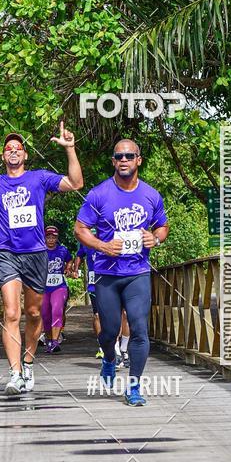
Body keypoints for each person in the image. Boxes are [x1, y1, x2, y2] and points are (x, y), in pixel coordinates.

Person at [0, 121, 83, 394]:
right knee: (11, 313)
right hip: (7, 253)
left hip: (36, 254)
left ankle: (29, 361)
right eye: (8, 148)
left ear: (25, 155)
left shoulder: (38, 178)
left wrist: (70, 149)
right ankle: (14, 373)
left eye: (18, 148)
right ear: (3, 156)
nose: (13, 151)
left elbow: (75, 182)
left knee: (34, 313)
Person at [74, 138, 169, 406]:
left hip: (137, 272)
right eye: (119, 156)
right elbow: (80, 229)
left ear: (139, 160)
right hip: (107, 274)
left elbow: (162, 226)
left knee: (139, 328)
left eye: (129, 155)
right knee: (109, 331)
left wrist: (156, 238)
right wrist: (102, 245)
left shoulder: (151, 195)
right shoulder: (99, 194)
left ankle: (135, 387)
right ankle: (108, 357)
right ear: (113, 161)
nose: (124, 159)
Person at [42, 226, 73, 353]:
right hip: (43, 287)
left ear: (57, 237)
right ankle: (49, 340)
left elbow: (70, 259)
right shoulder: (40, 251)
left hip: (59, 286)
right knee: (45, 315)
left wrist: (68, 268)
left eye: (53, 237)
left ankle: (55, 341)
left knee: (57, 310)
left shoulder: (62, 250)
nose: (51, 240)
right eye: (48, 237)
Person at [75, 237, 102, 358]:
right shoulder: (86, 239)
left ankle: (119, 346)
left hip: (109, 282)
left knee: (113, 315)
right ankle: (101, 345)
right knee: (97, 315)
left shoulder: (110, 235)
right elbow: (79, 255)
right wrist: (76, 269)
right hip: (93, 285)